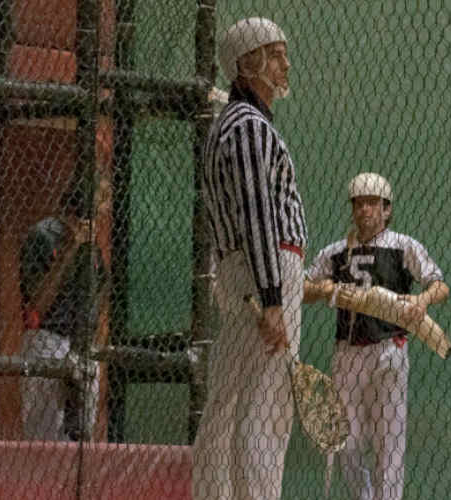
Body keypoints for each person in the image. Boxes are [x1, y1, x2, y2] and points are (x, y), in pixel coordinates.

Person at [193, 16, 307, 500]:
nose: (285, 63)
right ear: (249, 62)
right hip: (269, 268)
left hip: (247, 272)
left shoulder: (231, 125)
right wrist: (273, 297)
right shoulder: (249, 127)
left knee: (229, 402)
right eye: (276, 53)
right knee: (267, 406)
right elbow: (259, 213)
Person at [305, 173, 450, 500]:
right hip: (348, 354)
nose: (365, 210)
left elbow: (440, 285)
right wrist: (325, 289)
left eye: (372, 203)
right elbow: (303, 288)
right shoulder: (335, 252)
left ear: (387, 209)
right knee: (347, 440)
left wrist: (421, 300)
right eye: (358, 203)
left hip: (390, 351)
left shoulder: (403, 247)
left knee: (390, 441)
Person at [19, 172, 110, 441]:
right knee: (43, 434)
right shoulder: (44, 234)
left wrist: (94, 331)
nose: (106, 209)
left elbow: (103, 286)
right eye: (103, 198)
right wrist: (72, 248)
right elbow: (37, 303)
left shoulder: (93, 244)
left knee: (81, 434)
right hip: (48, 338)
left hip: (82, 342)